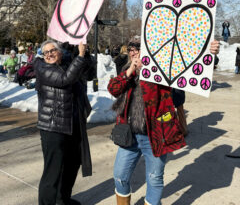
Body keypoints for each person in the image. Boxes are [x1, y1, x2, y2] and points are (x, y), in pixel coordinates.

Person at [108, 37, 220, 205]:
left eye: (138, 49)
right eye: (131, 49)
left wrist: (210, 53)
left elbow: (191, 64)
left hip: (155, 135)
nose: (133, 53)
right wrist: (131, 69)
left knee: (154, 179)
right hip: (129, 135)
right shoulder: (126, 69)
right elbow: (113, 89)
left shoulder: (162, 70)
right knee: (120, 176)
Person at [34, 40, 95, 205]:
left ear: (60, 51)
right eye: (46, 52)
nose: (49, 54)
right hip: (52, 127)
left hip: (72, 125)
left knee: (71, 165)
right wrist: (80, 56)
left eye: (53, 50)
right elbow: (64, 80)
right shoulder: (42, 67)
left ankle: (63, 200)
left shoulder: (67, 63)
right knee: (52, 172)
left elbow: (89, 73)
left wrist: (83, 51)